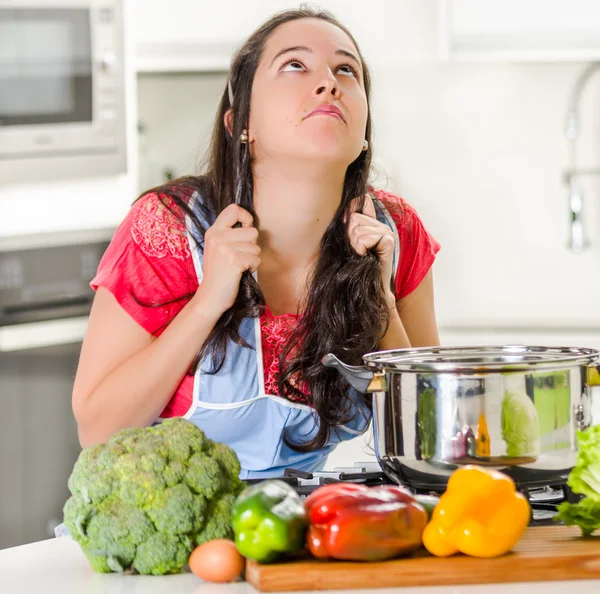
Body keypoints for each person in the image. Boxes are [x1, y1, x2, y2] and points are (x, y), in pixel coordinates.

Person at [71, 5, 441, 479]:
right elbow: (98, 431)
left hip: (297, 531)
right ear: (240, 123)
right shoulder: (168, 229)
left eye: (345, 70)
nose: (328, 82)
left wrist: (380, 301)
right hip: (171, 540)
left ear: (364, 132)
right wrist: (208, 301)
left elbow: (430, 439)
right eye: (295, 65)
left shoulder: (396, 233)